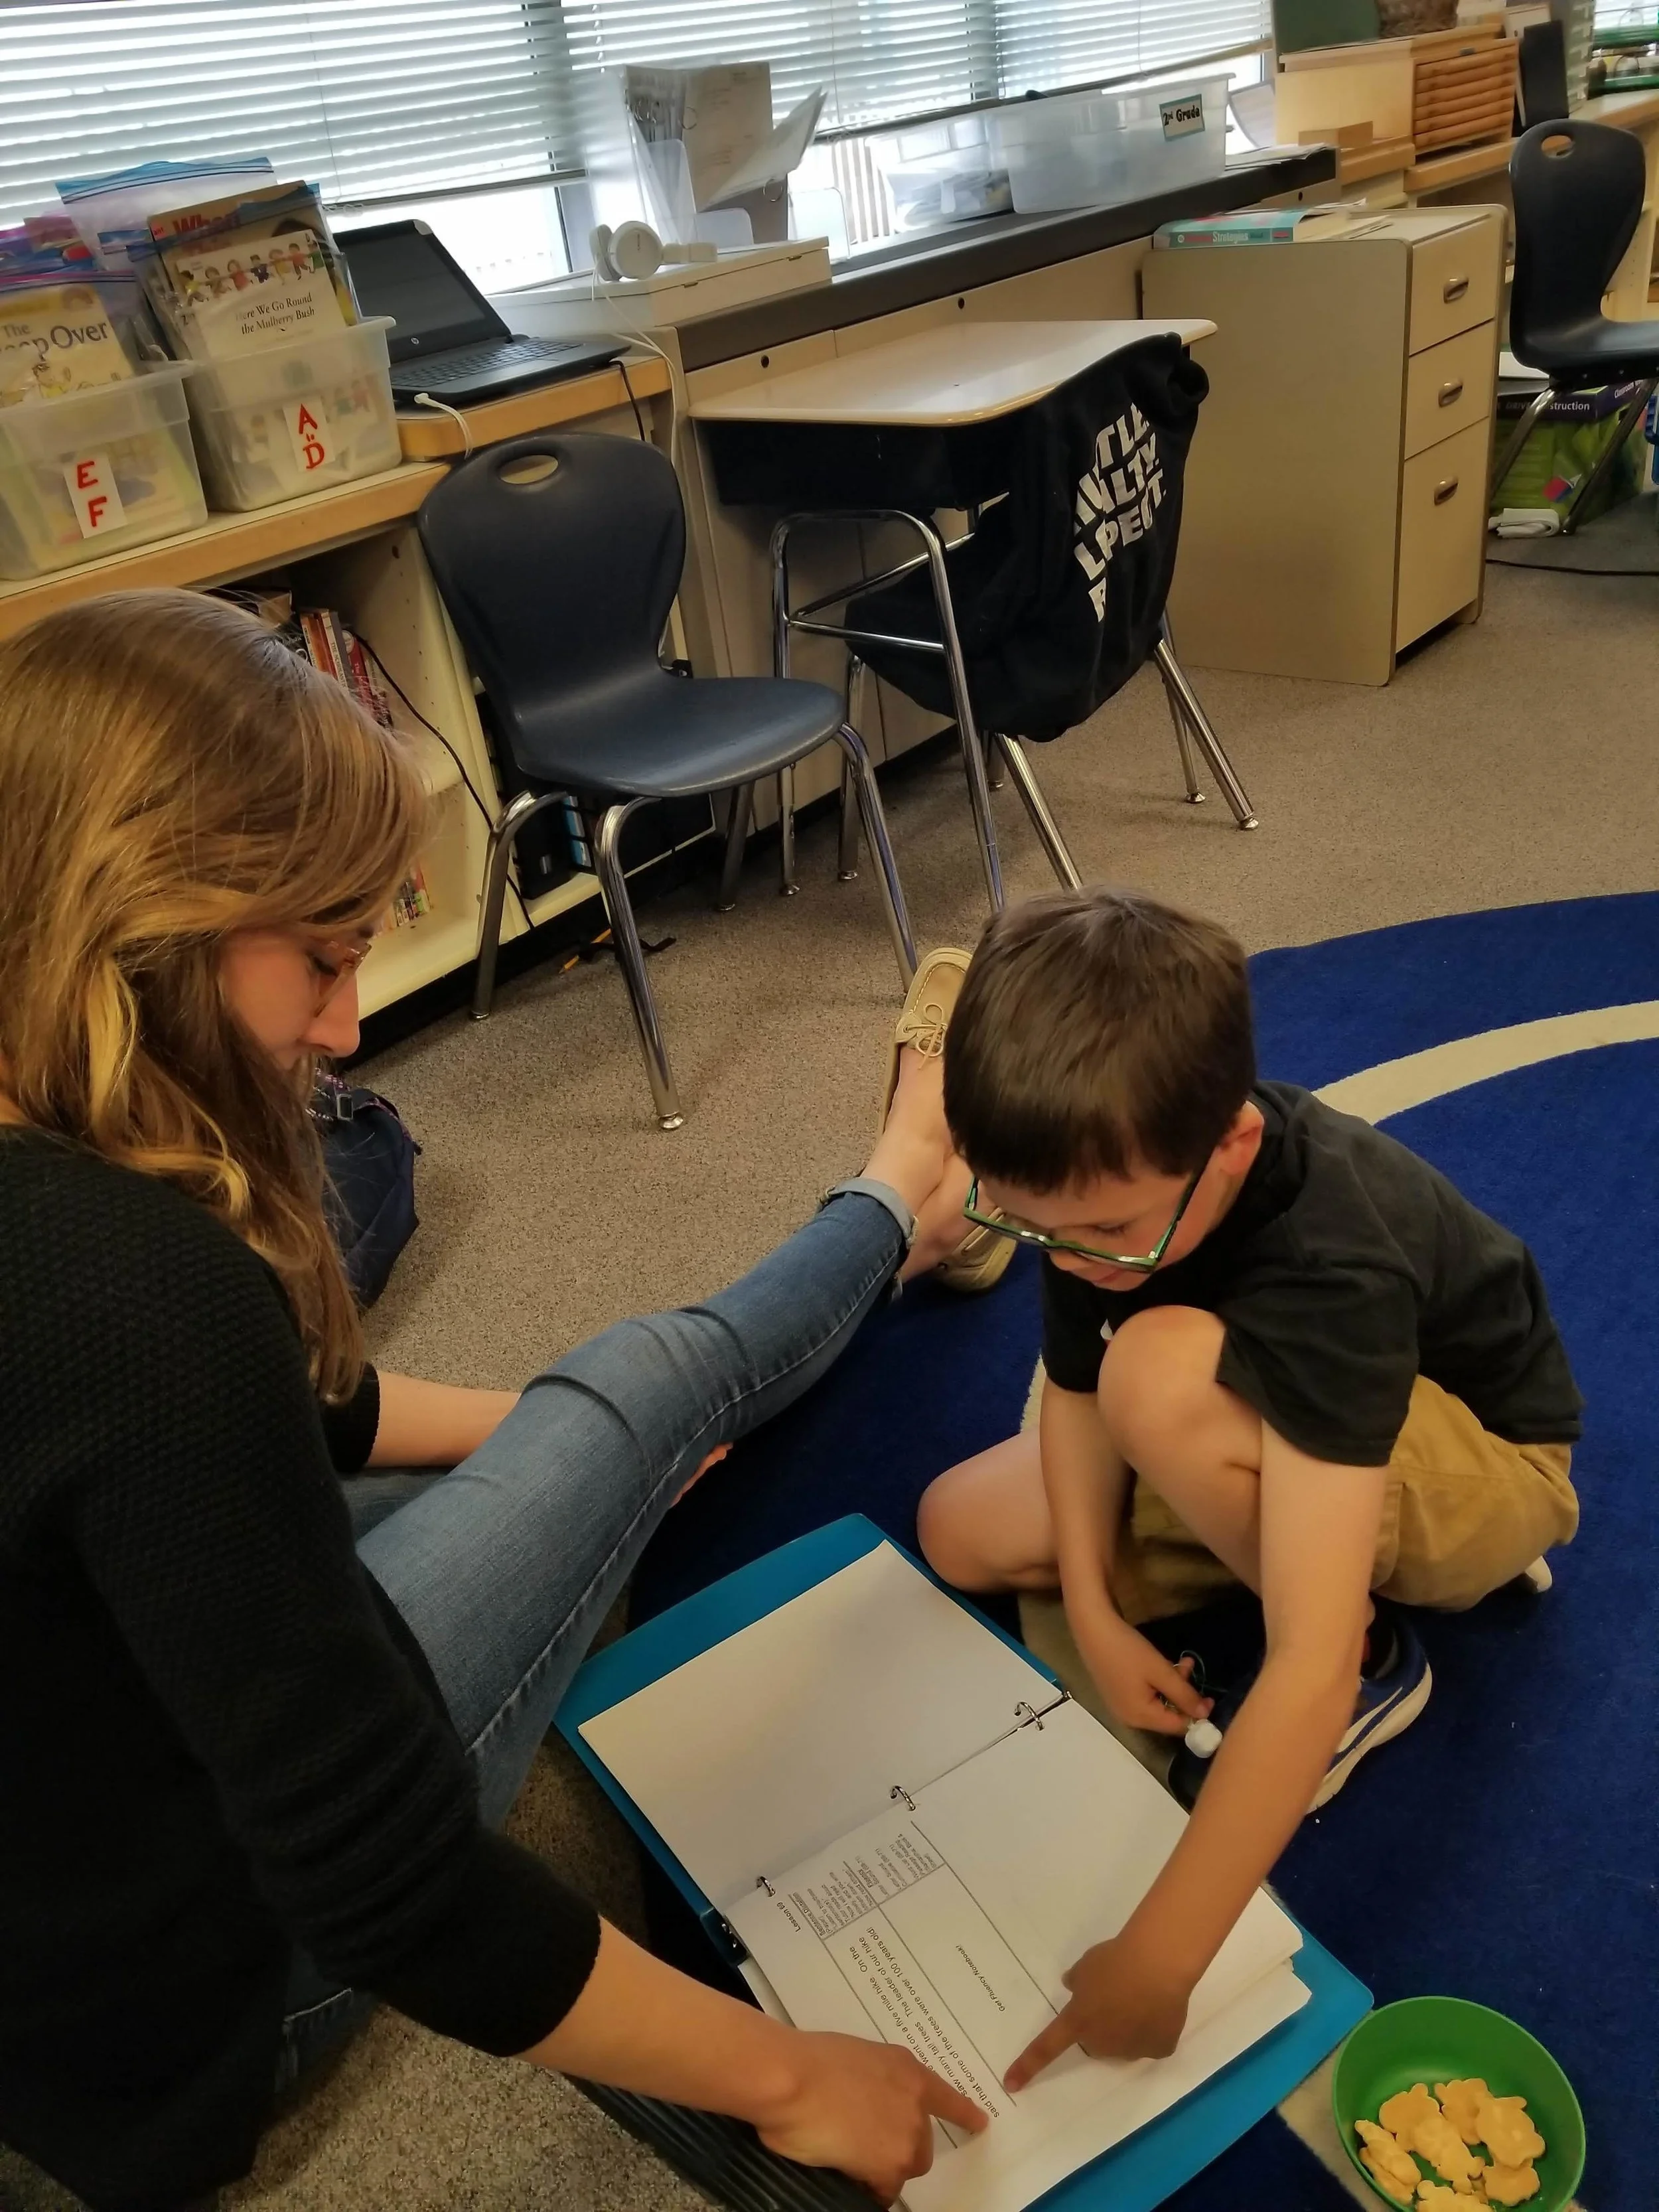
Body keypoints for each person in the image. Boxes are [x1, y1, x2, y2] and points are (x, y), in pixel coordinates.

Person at [0, 589, 987, 2212]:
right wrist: (794, 2072)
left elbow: (265, 1430)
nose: (343, 1029)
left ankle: (704, 1361)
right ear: (139, 915)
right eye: (323, 957)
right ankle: (902, 1193)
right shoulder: (136, 1292)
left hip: (63, 1838)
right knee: (647, 1375)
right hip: (180, 2017)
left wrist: (552, 1440)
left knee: (594, 1424)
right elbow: (391, 1887)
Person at [911, 892, 1581, 2091]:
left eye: (1100, 1231)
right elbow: (1075, 1395)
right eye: (1028, 1226)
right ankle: (1257, 1513)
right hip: (1262, 1404)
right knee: (961, 1527)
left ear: (1229, 1145)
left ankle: (1384, 1653)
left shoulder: (1331, 1257)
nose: (1066, 1257)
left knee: (1156, 1374)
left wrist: (1162, 1960)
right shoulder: (1099, 1192)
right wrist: (1095, 1613)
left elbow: (1299, 1663)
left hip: (1484, 1467)